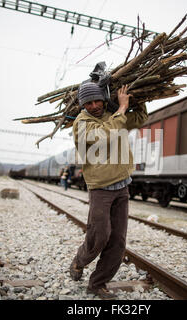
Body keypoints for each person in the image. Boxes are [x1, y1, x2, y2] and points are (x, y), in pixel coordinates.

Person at [69, 81, 148, 299]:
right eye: (88, 103)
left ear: (103, 99)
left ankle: (97, 283)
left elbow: (139, 118)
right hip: (100, 189)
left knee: (118, 241)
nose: (94, 106)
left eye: (97, 100)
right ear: (82, 105)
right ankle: (80, 260)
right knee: (100, 235)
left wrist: (139, 100)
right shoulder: (82, 123)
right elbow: (104, 135)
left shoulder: (112, 115)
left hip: (122, 186)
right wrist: (121, 108)